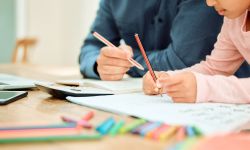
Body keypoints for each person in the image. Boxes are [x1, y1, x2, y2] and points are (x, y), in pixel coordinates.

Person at [80, 0, 235, 81]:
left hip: (221, 103)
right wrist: (99, 64)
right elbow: (91, 46)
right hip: (144, 100)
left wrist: (127, 62)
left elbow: (181, 62)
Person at [143, 0, 250, 104]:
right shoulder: (235, 19)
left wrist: (204, 88)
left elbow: (205, 84)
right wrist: (168, 79)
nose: (210, 3)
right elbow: (215, 68)